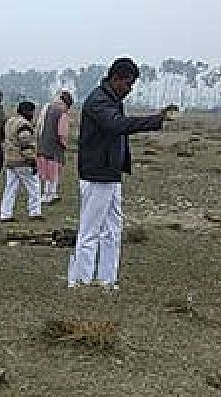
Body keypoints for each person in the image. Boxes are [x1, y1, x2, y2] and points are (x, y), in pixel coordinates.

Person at [68, 58, 175, 290]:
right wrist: (156, 119)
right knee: (90, 231)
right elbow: (117, 126)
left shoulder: (111, 99)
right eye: (128, 84)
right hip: (97, 174)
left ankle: (107, 280)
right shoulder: (98, 101)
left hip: (111, 173)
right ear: (115, 79)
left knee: (112, 231)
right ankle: (80, 281)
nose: (130, 89)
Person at [0, 101, 43, 222]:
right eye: (32, 112)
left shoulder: (10, 121)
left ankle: (5, 213)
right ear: (27, 112)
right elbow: (25, 143)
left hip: (10, 160)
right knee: (34, 186)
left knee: (10, 188)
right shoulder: (24, 125)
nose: (33, 114)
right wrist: (32, 161)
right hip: (22, 161)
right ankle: (35, 212)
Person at [36, 89, 74, 205]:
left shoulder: (46, 108)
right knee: (54, 172)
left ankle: (44, 195)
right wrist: (64, 144)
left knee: (45, 172)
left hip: (43, 144)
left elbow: (39, 126)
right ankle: (51, 194)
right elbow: (62, 132)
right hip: (55, 147)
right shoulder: (62, 113)